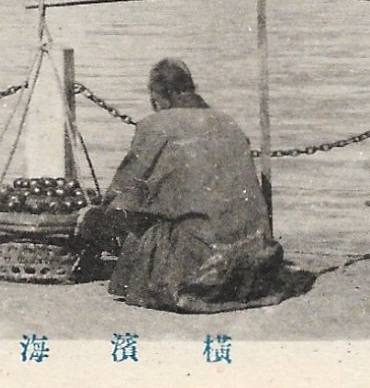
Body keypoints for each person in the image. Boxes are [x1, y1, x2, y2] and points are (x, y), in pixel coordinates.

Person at [76, 58, 289, 312]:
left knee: (118, 226)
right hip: (254, 261)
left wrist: (95, 217)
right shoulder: (229, 123)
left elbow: (122, 194)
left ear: (159, 96)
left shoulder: (156, 125)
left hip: (199, 266)